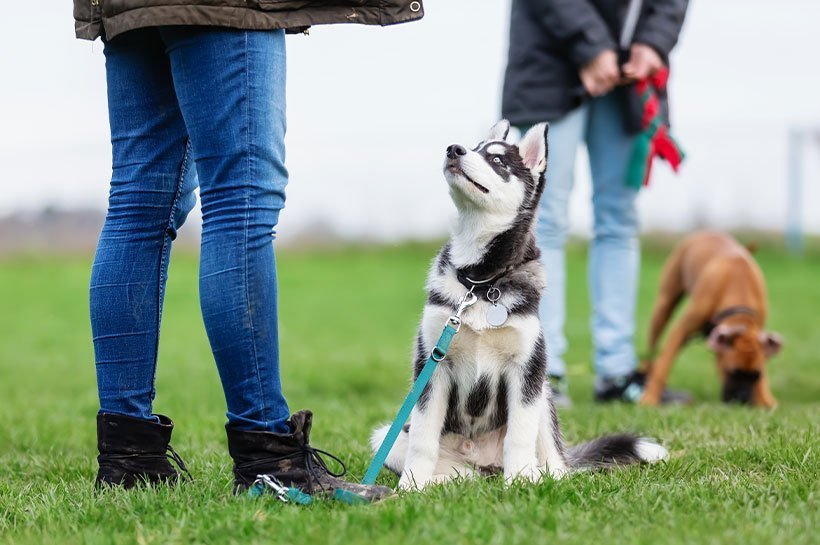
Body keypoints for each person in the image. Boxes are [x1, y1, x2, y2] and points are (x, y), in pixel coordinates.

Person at [74, 0, 423, 500]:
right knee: (240, 201)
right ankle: (269, 460)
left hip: (125, 6)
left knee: (138, 202)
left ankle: (129, 458)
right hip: (224, 7)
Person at [502, 0, 689, 406]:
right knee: (543, 220)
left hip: (628, 77)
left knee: (620, 220)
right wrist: (592, 47)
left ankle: (617, 373)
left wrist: (653, 43)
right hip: (549, 65)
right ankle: (542, 372)